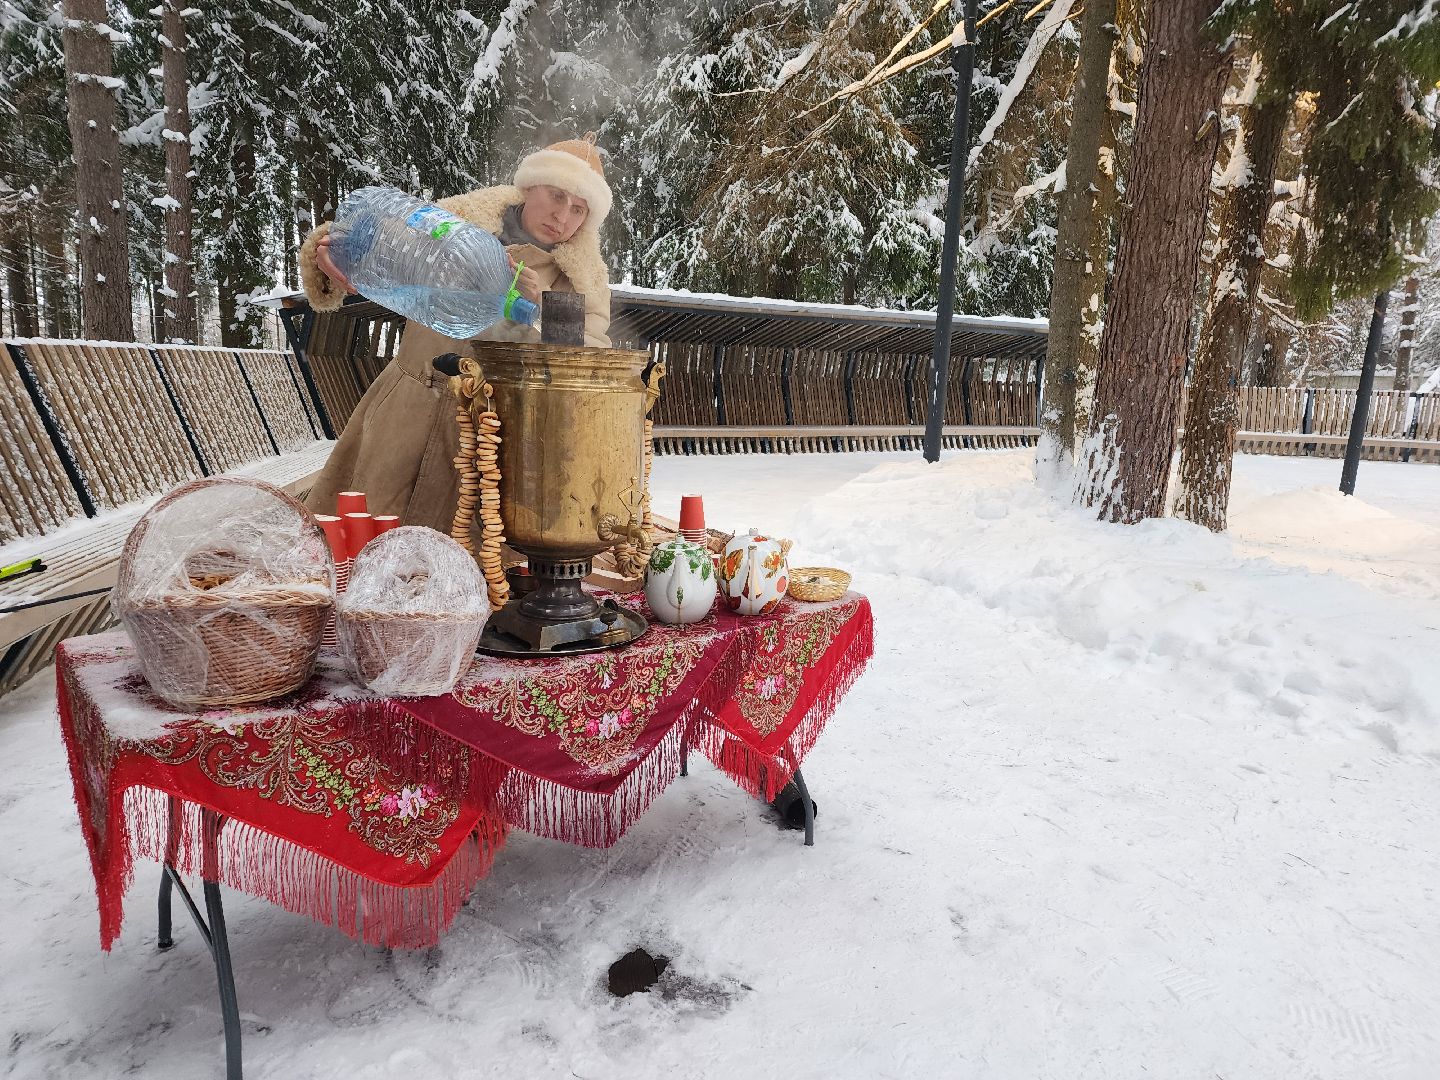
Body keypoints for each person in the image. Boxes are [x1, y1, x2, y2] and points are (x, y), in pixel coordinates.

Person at [297, 133, 614, 532]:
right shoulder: (455, 225)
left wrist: (533, 315)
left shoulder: (582, 280)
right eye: (556, 195)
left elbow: (589, 357)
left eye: (579, 209)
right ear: (530, 187)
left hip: (489, 439)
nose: (563, 216)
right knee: (360, 547)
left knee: (467, 566)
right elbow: (373, 241)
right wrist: (330, 252)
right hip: (405, 411)